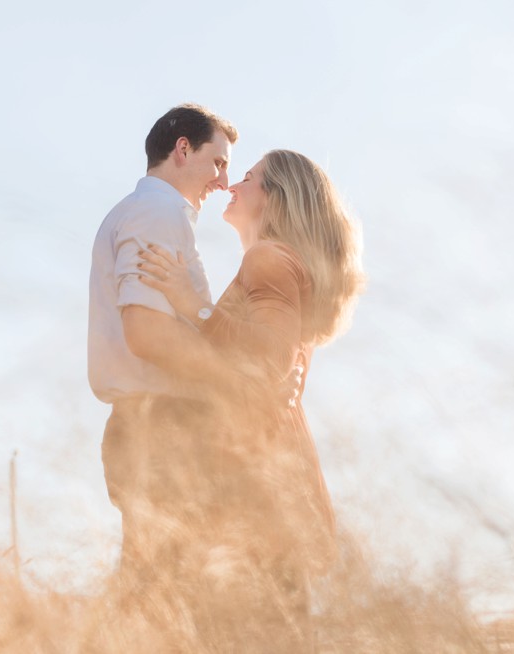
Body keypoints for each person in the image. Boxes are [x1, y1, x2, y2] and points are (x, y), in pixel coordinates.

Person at [136, 149, 366, 650]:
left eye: (248, 177)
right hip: (275, 491)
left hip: (251, 496)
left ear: (276, 200)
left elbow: (267, 360)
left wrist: (190, 304)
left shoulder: (268, 259)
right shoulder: (288, 266)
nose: (232, 185)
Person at [88, 103, 241, 579]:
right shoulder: (157, 212)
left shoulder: (144, 211)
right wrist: (236, 382)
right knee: (170, 596)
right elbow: (147, 332)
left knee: (154, 593)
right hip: (164, 428)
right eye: (217, 162)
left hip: (149, 425)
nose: (222, 182)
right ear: (182, 149)